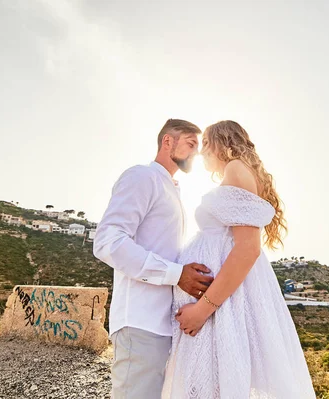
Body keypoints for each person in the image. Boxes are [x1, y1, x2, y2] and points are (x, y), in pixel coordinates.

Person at [162, 120, 316, 398]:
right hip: (222, 302)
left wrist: (202, 310)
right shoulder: (237, 173)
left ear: (223, 142)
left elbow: (247, 249)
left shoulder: (235, 170)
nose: (202, 152)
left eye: (206, 143)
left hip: (222, 304)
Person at [93, 119, 214, 399]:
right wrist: (177, 274)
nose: (196, 152)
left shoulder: (172, 189)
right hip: (140, 319)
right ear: (167, 142)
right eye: (191, 144)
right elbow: (109, 241)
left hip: (163, 323)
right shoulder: (142, 176)